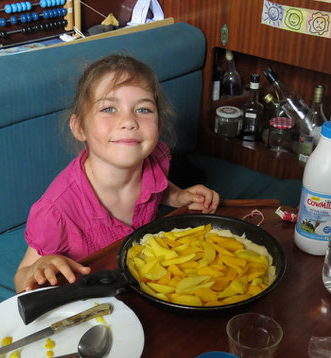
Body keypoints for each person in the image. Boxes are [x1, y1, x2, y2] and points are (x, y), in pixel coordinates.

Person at [14, 54, 220, 293]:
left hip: (143, 281)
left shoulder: (151, 163)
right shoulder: (57, 210)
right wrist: (40, 267)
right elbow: (20, 280)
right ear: (80, 127)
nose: (129, 121)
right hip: (92, 298)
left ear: (159, 127)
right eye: (109, 108)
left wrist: (178, 197)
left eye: (143, 109)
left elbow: (155, 188)